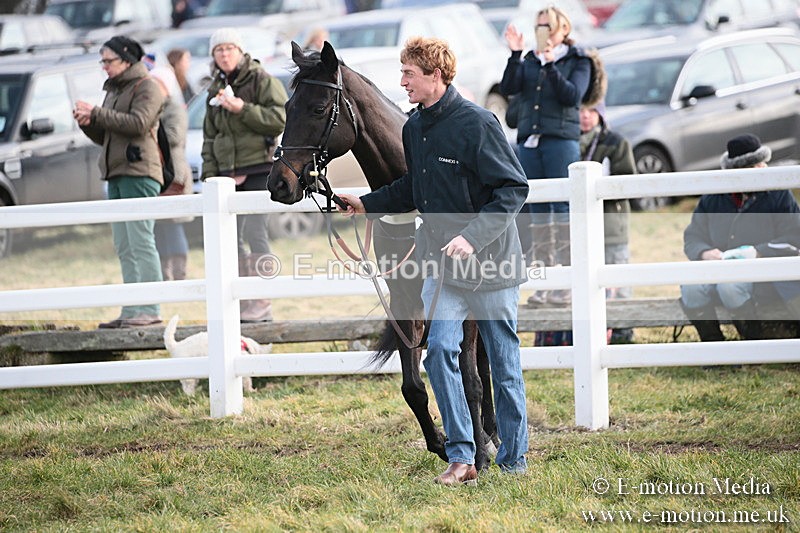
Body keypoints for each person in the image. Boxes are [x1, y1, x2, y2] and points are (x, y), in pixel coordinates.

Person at [337, 37, 530, 486]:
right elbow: (412, 190)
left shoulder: (478, 123)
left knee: (503, 365)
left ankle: (514, 459)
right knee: (439, 352)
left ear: (435, 75)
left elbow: (513, 189)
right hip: (442, 267)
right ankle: (463, 455)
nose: (402, 81)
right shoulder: (413, 128)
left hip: (492, 266)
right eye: (402, 73)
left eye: (409, 73)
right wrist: (365, 203)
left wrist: (471, 237)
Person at [500, 6, 591, 307]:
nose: (544, 33)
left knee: (563, 207)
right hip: (530, 141)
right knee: (536, 208)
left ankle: (566, 280)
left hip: (560, 140)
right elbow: (508, 88)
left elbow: (572, 96)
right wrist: (515, 54)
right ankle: (544, 281)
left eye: (548, 27)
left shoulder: (578, 60)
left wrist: (551, 66)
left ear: (563, 29)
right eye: (539, 27)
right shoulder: (529, 59)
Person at [73, 35, 166, 328]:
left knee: (140, 242)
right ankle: (131, 309)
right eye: (102, 61)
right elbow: (107, 135)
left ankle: (149, 309)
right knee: (124, 246)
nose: (104, 66)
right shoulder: (114, 90)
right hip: (115, 173)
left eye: (108, 61)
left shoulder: (148, 86)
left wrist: (97, 113)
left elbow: (139, 123)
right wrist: (89, 123)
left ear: (126, 60)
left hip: (139, 172)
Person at [202, 28, 288, 322]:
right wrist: (210, 175)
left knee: (255, 232)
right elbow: (209, 137)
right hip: (226, 174)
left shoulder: (262, 79)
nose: (224, 54)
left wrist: (243, 109)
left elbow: (279, 119)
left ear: (240, 51)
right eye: (219, 50)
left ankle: (262, 298)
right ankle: (240, 298)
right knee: (229, 238)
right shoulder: (215, 86)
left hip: (259, 167)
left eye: (229, 48)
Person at [680, 133, 800, 341]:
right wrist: (704, 253)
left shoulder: (779, 194)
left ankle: (752, 340)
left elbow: (794, 236)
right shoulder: (712, 197)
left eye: (762, 163)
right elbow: (693, 236)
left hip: (764, 275)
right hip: (718, 269)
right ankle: (713, 345)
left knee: (730, 287)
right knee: (691, 287)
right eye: (754, 166)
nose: (762, 168)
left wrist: (758, 252)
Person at [147, 53, 194, 282]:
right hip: (157, 173)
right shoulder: (152, 108)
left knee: (174, 225)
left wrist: (151, 127)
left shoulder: (175, 108)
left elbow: (175, 136)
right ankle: (164, 274)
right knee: (160, 227)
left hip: (175, 173)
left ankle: (179, 274)